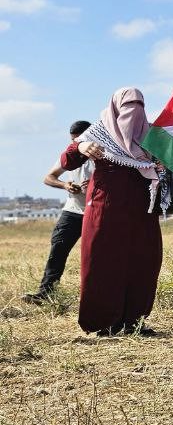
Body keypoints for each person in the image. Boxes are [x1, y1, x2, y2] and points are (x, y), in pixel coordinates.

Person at [62, 88, 166, 335]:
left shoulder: (152, 135)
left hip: (142, 210)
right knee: (103, 261)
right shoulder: (99, 131)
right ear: (115, 107)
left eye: (138, 106)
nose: (133, 111)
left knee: (143, 261)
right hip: (104, 209)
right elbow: (67, 161)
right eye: (128, 105)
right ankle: (103, 322)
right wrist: (82, 146)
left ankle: (134, 321)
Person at [23, 120, 94, 304]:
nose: (76, 144)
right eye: (73, 140)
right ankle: (46, 293)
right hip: (72, 211)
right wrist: (65, 185)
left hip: (96, 213)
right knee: (58, 248)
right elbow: (49, 177)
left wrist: (95, 186)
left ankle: (96, 298)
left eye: (79, 139)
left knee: (98, 256)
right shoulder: (70, 155)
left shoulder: (104, 155)